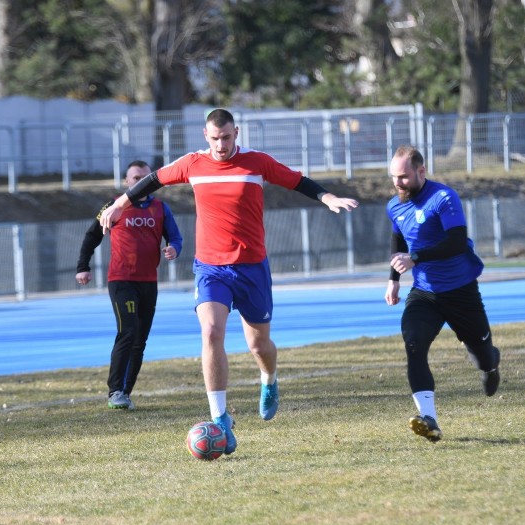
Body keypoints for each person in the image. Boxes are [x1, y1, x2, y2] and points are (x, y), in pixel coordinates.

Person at [99, 108, 359, 454]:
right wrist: (119, 203)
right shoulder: (193, 164)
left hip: (252, 269)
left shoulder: (256, 162)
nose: (221, 145)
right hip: (211, 268)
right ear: (205, 136)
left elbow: (296, 180)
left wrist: (327, 197)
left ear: (236, 133)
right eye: (214, 138)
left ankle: (269, 380)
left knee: (258, 346)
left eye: (227, 137)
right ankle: (220, 419)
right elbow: (153, 180)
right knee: (210, 332)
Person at [384, 145, 500, 443]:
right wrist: (394, 279)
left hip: (461, 292)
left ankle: (490, 364)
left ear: (421, 171)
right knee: (414, 343)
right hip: (424, 294)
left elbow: (456, 242)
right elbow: (398, 237)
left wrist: (416, 258)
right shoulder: (394, 205)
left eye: (404, 177)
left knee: (483, 356)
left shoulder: (444, 197)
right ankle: (429, 418)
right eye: (394, 177)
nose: (398, 183)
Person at [76, 160, 183, 410]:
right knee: (128, 331)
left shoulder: (161, 208)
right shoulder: (114, 207)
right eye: (136, 178)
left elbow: (175, 237)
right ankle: (115, 391)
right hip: (122, 280)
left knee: (140, 340)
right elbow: (92, 236)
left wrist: (174, 249)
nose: (141, 182)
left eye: (146, 178)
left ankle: (125, 392)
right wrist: (83, 266)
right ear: (127, 182)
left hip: (149, 282)